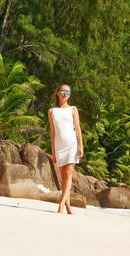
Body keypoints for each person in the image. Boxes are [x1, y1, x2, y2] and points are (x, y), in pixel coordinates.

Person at [47, 84, 84, 214]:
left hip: (72, 144)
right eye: (62, 90)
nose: (65, 93)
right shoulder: (52, 111)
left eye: (68, 91)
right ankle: (68, 206)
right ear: (57, 93)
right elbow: (52, 132)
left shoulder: (73, 109)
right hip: (59, 146)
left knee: (68, 174)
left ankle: (61, 204)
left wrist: (81, 145)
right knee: (63, 176)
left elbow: (78, 129)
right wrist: (53, 151)